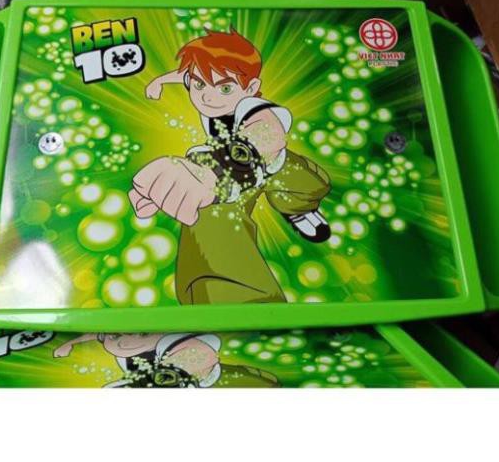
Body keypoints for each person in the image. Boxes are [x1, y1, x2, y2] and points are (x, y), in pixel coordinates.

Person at [128, 27, 331, 305]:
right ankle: (240, 301)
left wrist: (217, 170)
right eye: (200, 85)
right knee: (212, 220)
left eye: (225, 88)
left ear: (250, 88)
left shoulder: (254, 107)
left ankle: (299, 210)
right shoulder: (200, 80)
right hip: (236, 178)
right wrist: (160, 82)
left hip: (272, 166)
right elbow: (187, 75)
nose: (207, 97)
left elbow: (269, 135)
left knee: (307, 185)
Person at [53, 332, 221, 388]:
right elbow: (96, 334)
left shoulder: (169, 341)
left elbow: (205, 355)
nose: (125, 343)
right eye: (115, 336)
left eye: (143, 334)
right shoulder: (107, 336)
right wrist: (69, 344)